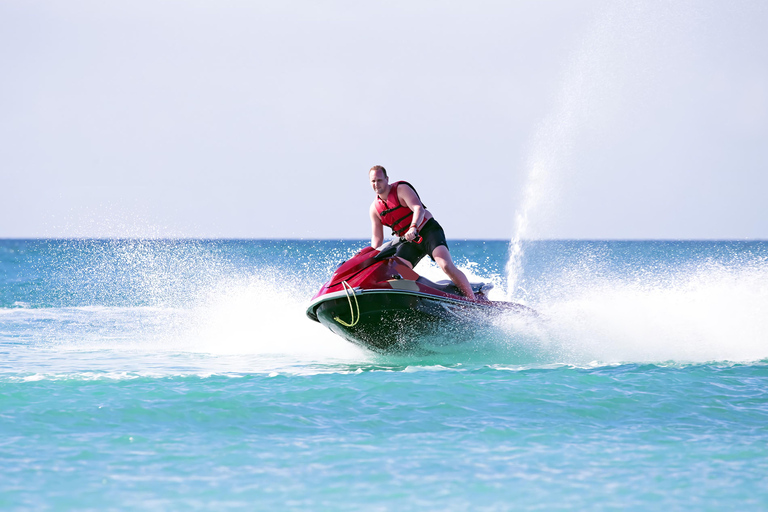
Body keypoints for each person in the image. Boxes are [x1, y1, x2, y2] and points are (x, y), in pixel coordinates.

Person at [368, 165, 476, 300]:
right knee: (398, 270)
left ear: (387, 179)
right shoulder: (375, 209)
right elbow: (377, 238)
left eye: (379, 180)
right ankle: (426, 293)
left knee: (446, 265)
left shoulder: (401, 190)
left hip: (428, 231)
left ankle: (472, 300)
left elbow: (418, 209)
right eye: (373, 181)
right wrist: (371, 255)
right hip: (408, 241)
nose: (376, 184)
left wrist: (413, 227)